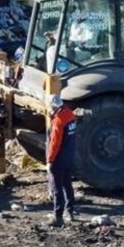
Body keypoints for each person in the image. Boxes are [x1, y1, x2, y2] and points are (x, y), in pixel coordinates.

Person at [46, 94, 77, 227]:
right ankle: (70, 211)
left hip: (58, 158)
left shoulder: (58, 120)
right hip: (69, 156)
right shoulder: (71, 115)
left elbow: (54, 143)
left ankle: (58, 217)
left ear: (53, 106)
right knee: (67, 185)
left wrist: (50, 160)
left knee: (56, 187)